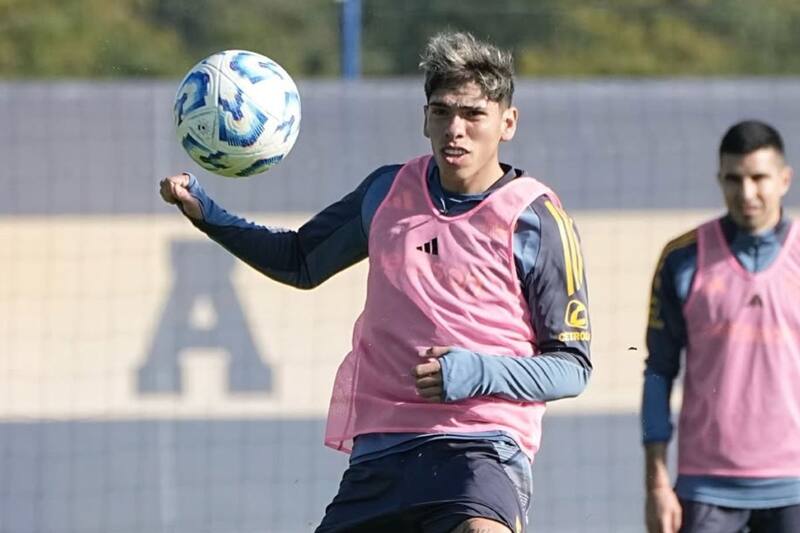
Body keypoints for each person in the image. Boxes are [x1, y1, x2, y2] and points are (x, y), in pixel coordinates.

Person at [160, 31, 591, 533]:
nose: (455, 129)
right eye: (441, 112)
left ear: (507, 123)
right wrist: (208, 214)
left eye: (473, 114)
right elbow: (301, 261)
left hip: (480, 447)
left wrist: (475, 371)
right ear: (424, 117)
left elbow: (571, 368)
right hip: (381, 452)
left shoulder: (536, 217)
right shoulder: (387, 191)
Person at [642, 120, 800, 533]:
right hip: (706, 488)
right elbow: (658, 373)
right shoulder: (682, 259)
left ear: (784, 179)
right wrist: (656, 483)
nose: (746, 193)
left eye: (759, 178)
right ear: (719, 179)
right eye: (734, 179)